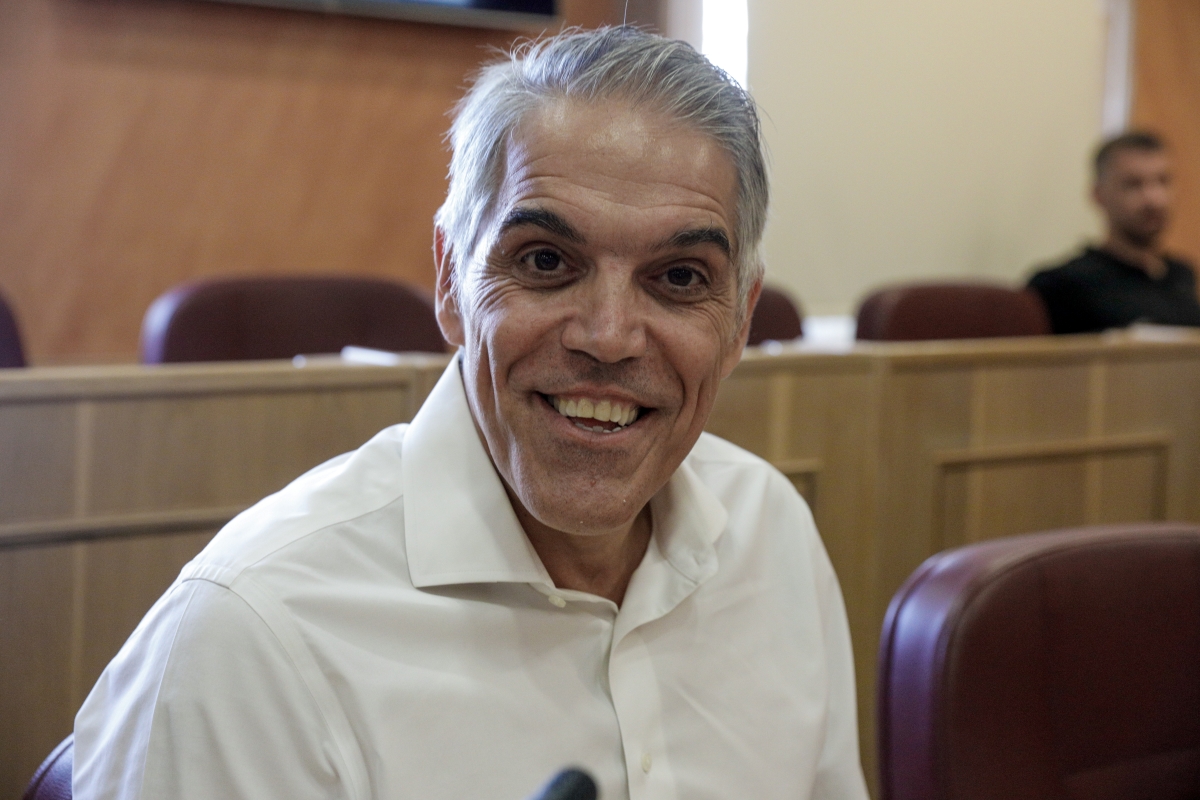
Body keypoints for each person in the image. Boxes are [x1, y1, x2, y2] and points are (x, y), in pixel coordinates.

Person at [73, 27, 869, 800]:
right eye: (547, 261)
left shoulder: (773, 536)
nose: (609, 337)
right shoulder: (252, 634)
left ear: (739, 323)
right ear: (452, 283)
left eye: (681, 278)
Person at [1028, 131, 1200, 334]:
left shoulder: (1180, 275)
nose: (1154, 199)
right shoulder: (1062, 285)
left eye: (1163, 181)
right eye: (1133, 184)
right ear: (1098, 195)